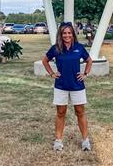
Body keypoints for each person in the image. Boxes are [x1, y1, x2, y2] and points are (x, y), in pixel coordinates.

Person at [42, 22, 93, 152]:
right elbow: (45, 60)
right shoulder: (56, 48)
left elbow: (89, 60)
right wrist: (52, 73)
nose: (67, 35)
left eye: (69, 32)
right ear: (61, 34)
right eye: (64, 33)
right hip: (61, 85)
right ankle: (58, 141)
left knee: (80, 112)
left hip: (77, 85)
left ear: (73, 34)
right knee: (60, 113)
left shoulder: (79, 47)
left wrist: (85, 73)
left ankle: (85, 141)